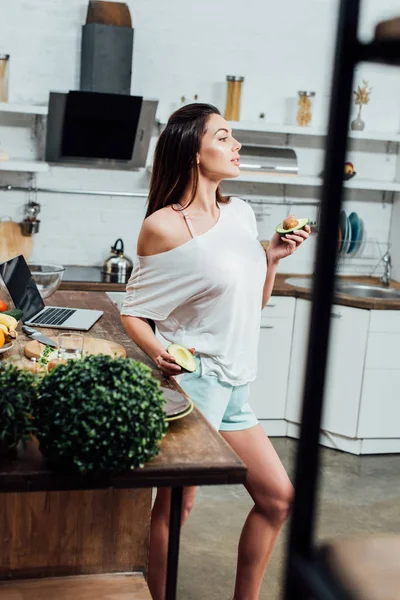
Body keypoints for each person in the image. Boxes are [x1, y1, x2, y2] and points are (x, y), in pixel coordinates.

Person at [121, 102, 310, 600]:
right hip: (196, 380)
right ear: (193, 151)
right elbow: (133, 312)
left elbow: (255, 300)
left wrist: (270, 258)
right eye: (224, 137)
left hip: (236, 383)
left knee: (277, 498)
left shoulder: (241, 212)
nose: (237, 145)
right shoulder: (165, 225)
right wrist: (160, 350)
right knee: (176, 510)